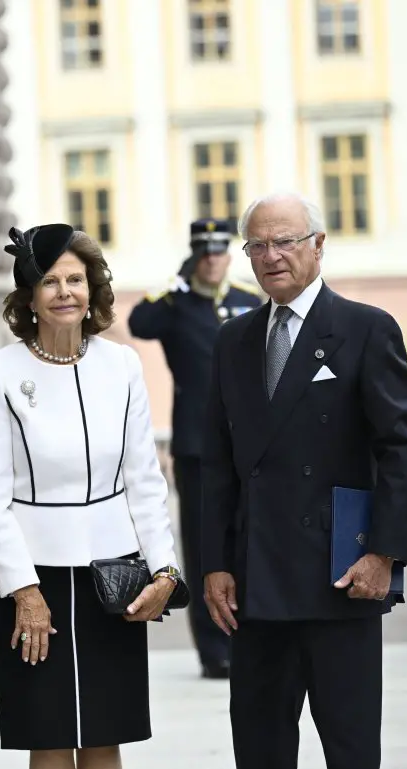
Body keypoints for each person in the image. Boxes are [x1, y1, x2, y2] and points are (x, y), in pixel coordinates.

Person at [201, 192, 407, 769]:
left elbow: (400, 450)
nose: (271, 256)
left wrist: (384, 554)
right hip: (255, 587)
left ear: (318, 246)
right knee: (260, 751)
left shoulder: (364, 328)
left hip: (341, 578)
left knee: (351, 752)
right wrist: (216, 563)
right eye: (258, 245)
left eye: (286, 241)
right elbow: (216, 463)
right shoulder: (233, 340)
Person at [0, 223, 183, 769]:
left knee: (104, 734)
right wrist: (23, 590)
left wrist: (165, 570)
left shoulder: (123, 366)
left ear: (93, 289)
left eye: (76, 279)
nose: (65, 292)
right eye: (50, 281)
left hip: (113, 574)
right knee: (48, 732)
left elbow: (144, 480)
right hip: (33, 578)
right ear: (29, 296)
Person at [127, 217, 262, 679]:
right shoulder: (175, 304)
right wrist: (176, 282)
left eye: (219, 251)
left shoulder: (248, 299)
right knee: (205, 544)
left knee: (250, 537)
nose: (211, 259)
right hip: (197, 443)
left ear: (230, 254)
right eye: (203, 252)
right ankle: (213, 650)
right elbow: (138, 323)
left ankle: (251, 635)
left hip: (248, 440)